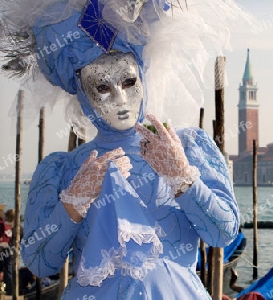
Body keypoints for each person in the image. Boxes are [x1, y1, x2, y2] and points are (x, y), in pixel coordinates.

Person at [0, 0, 250, 299]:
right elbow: (40, 263)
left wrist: (182, 176)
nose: (120, 97)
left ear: (142, 77)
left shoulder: (187, 147)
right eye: (102, 87)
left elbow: (223, 232)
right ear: (81, 92)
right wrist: (73, 205)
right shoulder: (63, 168)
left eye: (129, 81)